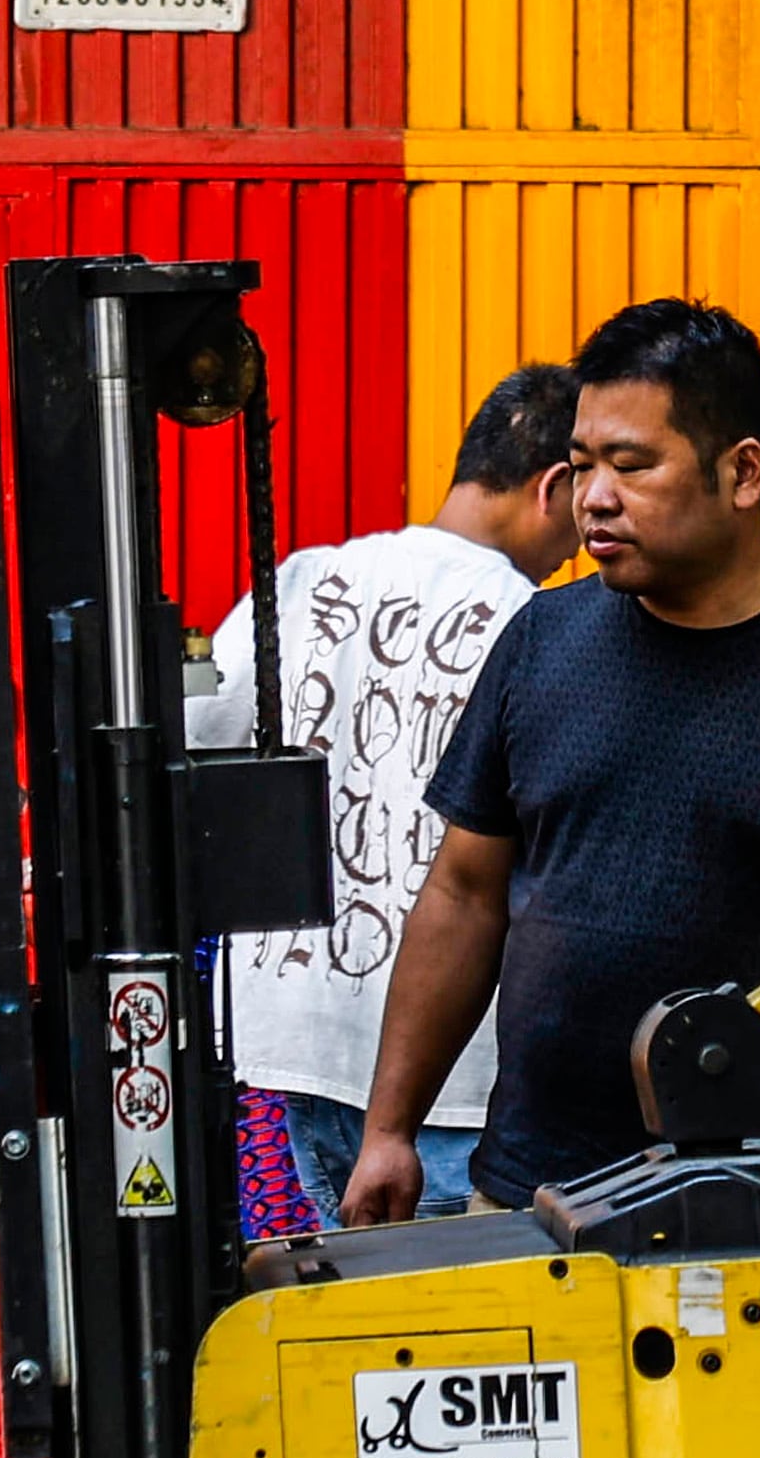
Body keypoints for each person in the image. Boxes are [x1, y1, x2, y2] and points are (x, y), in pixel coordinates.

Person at [345, 300, 760, 1229]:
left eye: (633, 465)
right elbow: (463, 894)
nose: (595, 497)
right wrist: (389, 1128)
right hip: (527, 1203)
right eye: (585, 463)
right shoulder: (539, 643)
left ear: (742, 471)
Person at [189, 366, 583, 1222]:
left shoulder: (300, 584)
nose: (577, 553)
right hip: (457, 1075)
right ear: (554, 487)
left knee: (359, 1328)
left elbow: (193, 745)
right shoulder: (540, 624)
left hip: (292, 1035)